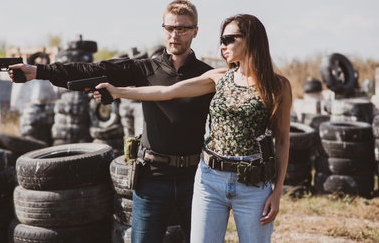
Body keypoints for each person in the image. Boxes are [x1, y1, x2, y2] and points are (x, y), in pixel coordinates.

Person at [8, 0, 214, 243]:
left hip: (195, 178)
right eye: (169, 28)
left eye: (182, 29)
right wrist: (39, 72)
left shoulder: (207, 75)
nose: (174, 35)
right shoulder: (146, 69)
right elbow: (92, 69)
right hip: (153, 178)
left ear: (195, 32)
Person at [93, 14, 292, 243]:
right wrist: (119, 92)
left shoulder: (278, 86)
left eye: (229, 39)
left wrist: (277, 193)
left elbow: (283, 141)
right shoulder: (218, 77)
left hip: (253, 186)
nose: (222, 45)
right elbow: (167, 92)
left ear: (251, 39)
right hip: (210, 180)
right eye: (221, 39)